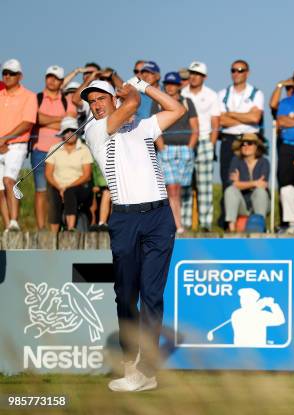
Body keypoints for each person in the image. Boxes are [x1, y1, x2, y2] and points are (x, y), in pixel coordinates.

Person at [82, 77, 186, 392]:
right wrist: (131, 95)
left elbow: (177, 108)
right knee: (126, 294)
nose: (96, 105)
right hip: (125, 218)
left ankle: (145, 369)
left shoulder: (142, 127)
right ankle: (131, 364)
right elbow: (131, 106)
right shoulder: (95, 130)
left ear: (113, 98)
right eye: (91, 102)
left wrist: (142, 85)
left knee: (152, 295)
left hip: (158, 217)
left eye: (101, 99)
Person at [32, 65, 77, 230]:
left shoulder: (67, 100)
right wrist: (59, 121)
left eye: (56, 78)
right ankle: (41, 229)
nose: (52, 80)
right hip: (40, 150)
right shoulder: (36, 98)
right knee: (41, 190)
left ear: (61, 81)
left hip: (62, 152)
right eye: (49, 76)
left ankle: (58, 228)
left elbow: (70, 123)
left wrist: (47, 120)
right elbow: (36, 118)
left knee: (59, 193)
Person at [153, 71, 198, 233]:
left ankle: (176, 223)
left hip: (184, 150)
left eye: (173, 84)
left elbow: (195, 128)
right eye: (167, 83)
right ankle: (177, 225)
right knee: (171, 188)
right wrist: (162, 147)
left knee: (180, 189)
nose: (170, 87)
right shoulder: (158, 103)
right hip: (167, 150)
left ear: (179, 86)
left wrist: (190, 147)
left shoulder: (187, 102)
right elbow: (155, 127)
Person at [181, 61, 220, 231]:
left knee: (204, 185)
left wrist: (211, 146)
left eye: (197, 74)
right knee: (185, 184)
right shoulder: (182, 94)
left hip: (204, 141)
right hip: (185, 142)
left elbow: (215, 123)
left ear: (204, 77)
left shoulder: (211, 95)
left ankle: (205, 223)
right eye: (191, 73)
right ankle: (184, 223)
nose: (193, 77)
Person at [0, 59, 37, 231]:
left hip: (16, 145)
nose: (7, 76)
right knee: (0, 188)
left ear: (20, 76)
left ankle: (15, 221)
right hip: (0, 144)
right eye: (5, 73)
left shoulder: (29, 96)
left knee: (9, 181)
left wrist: (5, 139)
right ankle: (8, 225)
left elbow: (27, 123)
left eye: (11, 73)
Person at [218, 60, 264, 188]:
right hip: (228, 138)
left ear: (247, 73)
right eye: (233, 70)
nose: (236, 73)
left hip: (250, 137)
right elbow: (221, 120)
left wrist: (231, 114)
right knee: (227, 178)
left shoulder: (256, 93)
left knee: (251, 176)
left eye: (240, 70)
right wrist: (245, 115)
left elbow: (255, 118)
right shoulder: (222, 94)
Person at [45, 117, 93, 233]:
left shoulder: (84, 149)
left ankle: (70, 229)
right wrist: (60, 187)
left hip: (79, 186)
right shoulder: (53, 149)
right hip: (58, 186)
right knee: (53, 195)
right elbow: (48, 174)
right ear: (62, 134)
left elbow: (87, 175)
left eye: (72, 130)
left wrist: (67, 187)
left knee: (70, 192)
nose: (70, 133)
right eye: (66, 131)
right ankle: (53, 235)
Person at [224, 134, 270, 232]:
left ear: (256, 146)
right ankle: (231, 228)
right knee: (230, 190)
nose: (246, 146)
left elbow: (262, 185)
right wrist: (254, 183)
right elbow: (234, 185)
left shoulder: (264, 162)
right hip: (242, 204)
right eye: (243, 144)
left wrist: (241, 183)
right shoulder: (235, 160)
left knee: (260, 192)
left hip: (259, 204)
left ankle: (260, 226)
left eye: (249, 143)